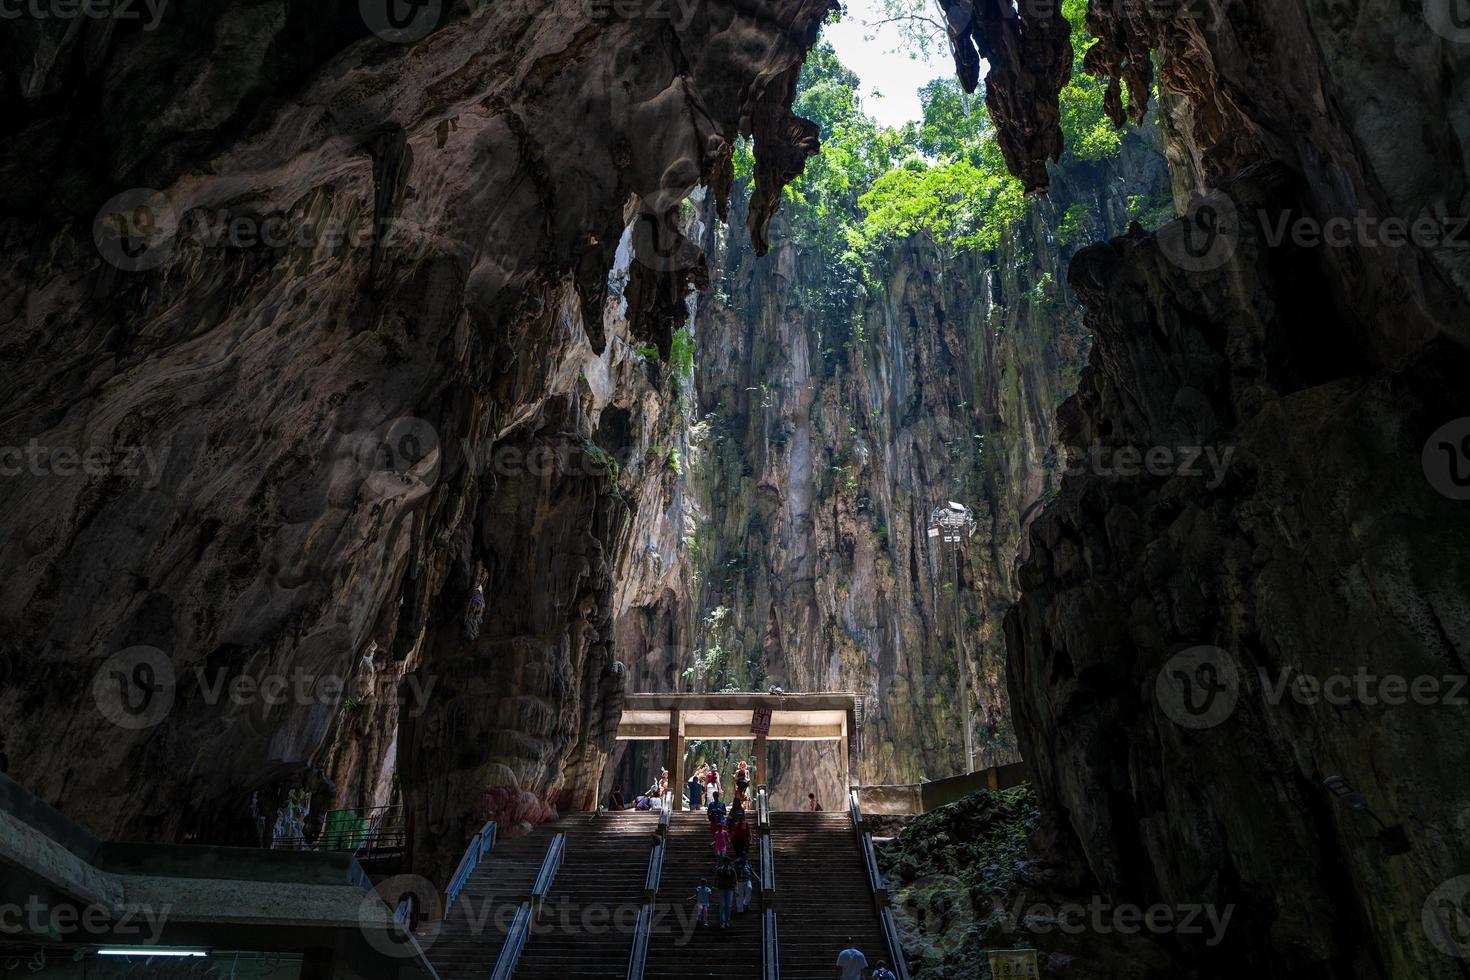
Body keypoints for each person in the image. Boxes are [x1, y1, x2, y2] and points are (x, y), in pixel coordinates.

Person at [715, 858, 738, 928]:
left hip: (729, 889)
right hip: (721, 888)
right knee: (722, 905)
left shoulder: (732, 870)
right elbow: (716, 878)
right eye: (725, 861)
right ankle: (722, 921)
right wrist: (715, 886)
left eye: (727, 862)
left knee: (728, 905)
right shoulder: (719, 870)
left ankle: (727, 921)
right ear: (723, 862)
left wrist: (736, 890)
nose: (726, 863)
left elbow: (735, 880)